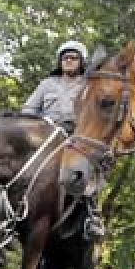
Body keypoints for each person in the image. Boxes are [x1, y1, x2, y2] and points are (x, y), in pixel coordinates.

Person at [23, 39, 104, 239]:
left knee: (93, 167)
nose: (68, 61)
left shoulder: (88, 84)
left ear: (81, 61)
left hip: (77, 137)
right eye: (65, 57)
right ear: (59, 61)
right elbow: (28, 110)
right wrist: (39, 125)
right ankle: (11, 210)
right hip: (47, 135)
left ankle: (92, 216)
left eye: (73, 58)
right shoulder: (47, 84)